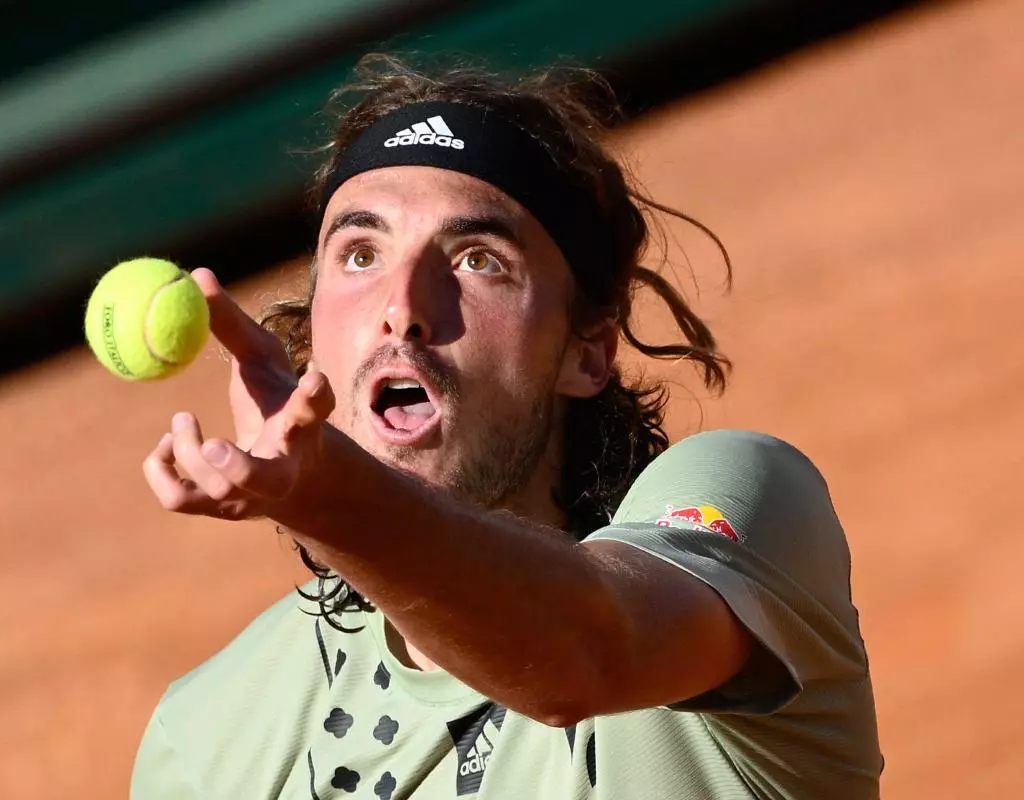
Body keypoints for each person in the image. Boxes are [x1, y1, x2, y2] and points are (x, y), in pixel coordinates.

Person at [130, 54, 882, 799]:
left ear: (586, 353)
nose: (403, 306)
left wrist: (325, 496)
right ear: (313, 333)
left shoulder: (751, 515)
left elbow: (584, 655)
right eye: (361, 254)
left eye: (477, 260)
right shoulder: (206, 743)